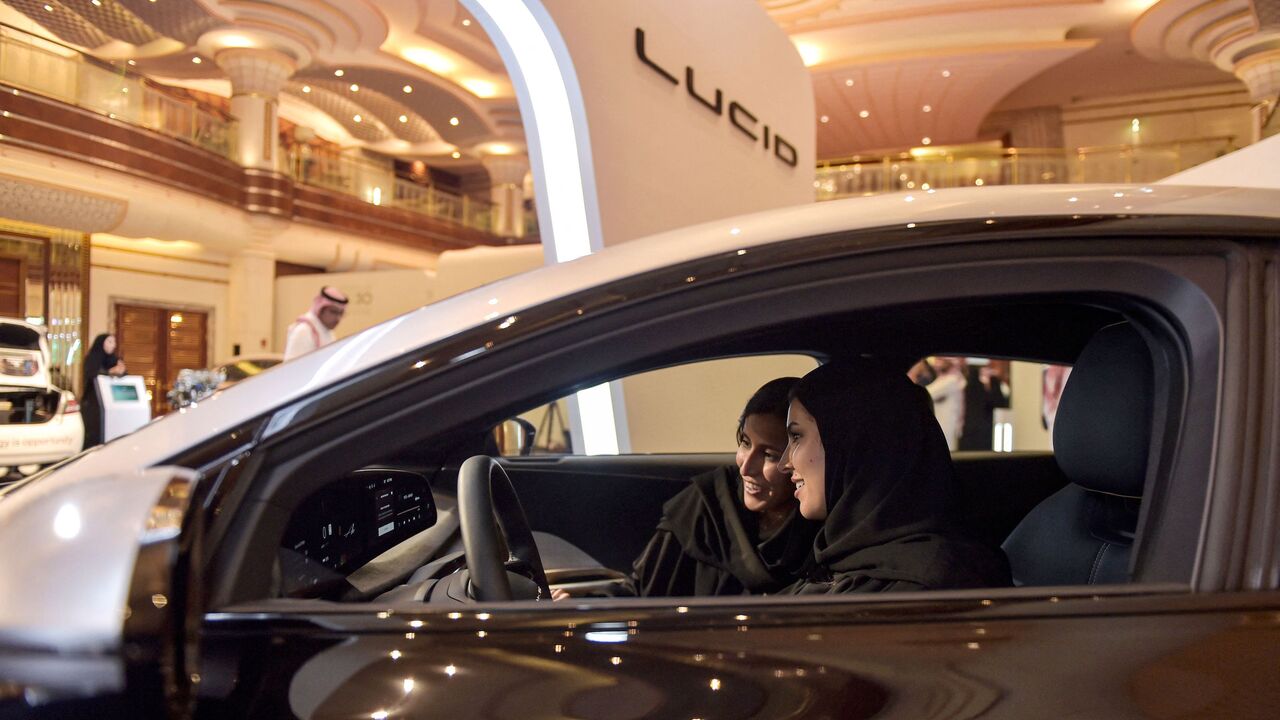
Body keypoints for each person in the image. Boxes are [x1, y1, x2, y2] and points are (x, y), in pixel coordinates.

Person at [781, 359, 1011, 594]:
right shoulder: (841, 560)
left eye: (797, 437)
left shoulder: (926, 587)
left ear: (856, 445)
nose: (784, 463)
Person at [623, 377, 819, 597]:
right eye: (745, 443)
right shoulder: (707, 506)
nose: (745, 468)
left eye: (769, 455)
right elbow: (637, 596)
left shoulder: (821, 532)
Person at [79, 333, 127, 448]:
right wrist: (109, 372)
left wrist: (121, 372)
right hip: (93, 403)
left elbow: (123, 375)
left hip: (113, 404)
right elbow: (92, 374)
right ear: (101, 343)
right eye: (109, 342)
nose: (113, 345)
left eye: (114, 342)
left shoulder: (114, 359)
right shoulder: (92, 358)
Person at [284, 286, 348, 360]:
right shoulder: (304, 331)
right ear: (320, 309)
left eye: (341, 314)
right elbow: (294, 368)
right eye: (333, 312)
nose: (338, 318)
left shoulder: (327, 332)